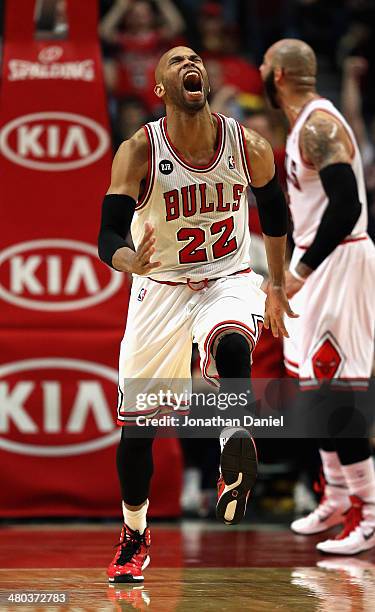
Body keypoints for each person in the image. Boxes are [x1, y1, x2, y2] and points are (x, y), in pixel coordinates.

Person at [98, 45, 294, 583]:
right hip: (158, 288)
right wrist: (125, 258)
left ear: (203, 77)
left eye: (194, 58)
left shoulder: (247, 145)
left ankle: (235, 435)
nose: (189, 63)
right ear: (159, 87)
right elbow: (107, 232)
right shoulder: (137, 152)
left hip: (226, 276)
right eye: (175, 60)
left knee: (231, 342)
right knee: (138, 432)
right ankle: (135, 534)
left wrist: (274, 285)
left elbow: (275, 214)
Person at [260, 39, 375, 554]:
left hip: (338, 265)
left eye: (264, 66)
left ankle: (368, 512)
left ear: (278, 75)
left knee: (337, 395)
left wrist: (301, 272)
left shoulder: (320, 126)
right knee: (314, 391)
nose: (261, 72)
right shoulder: (303, 123)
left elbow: (347, 205)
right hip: (317, 262)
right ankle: (334, 495)